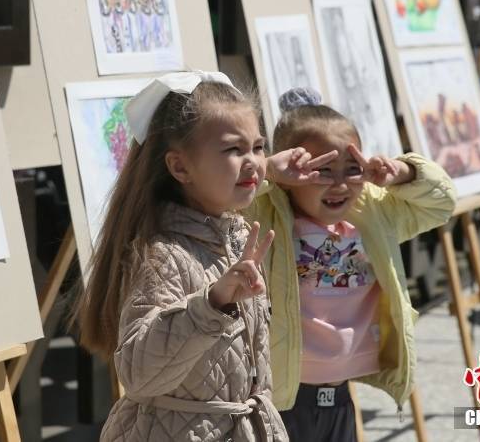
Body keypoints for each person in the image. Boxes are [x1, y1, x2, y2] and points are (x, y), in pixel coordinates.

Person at [75, 71, 312, 441]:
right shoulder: (163, 254)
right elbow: (138, 375)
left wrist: (267, 170)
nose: (251, 161)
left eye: (258, 147)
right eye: (234, 149)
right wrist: (211, 304)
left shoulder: (230, 231)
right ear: (180, 167)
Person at [244, 88, 457, 441]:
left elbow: (441, 204)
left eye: (352, 169)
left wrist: (403, 173)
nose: (340, 183)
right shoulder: (267, 214)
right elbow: (226, 202)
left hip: (340, 397)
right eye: (323, 171)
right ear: (292, 175)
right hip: (281, 398)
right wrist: (267, 170)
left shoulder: (372, 213)